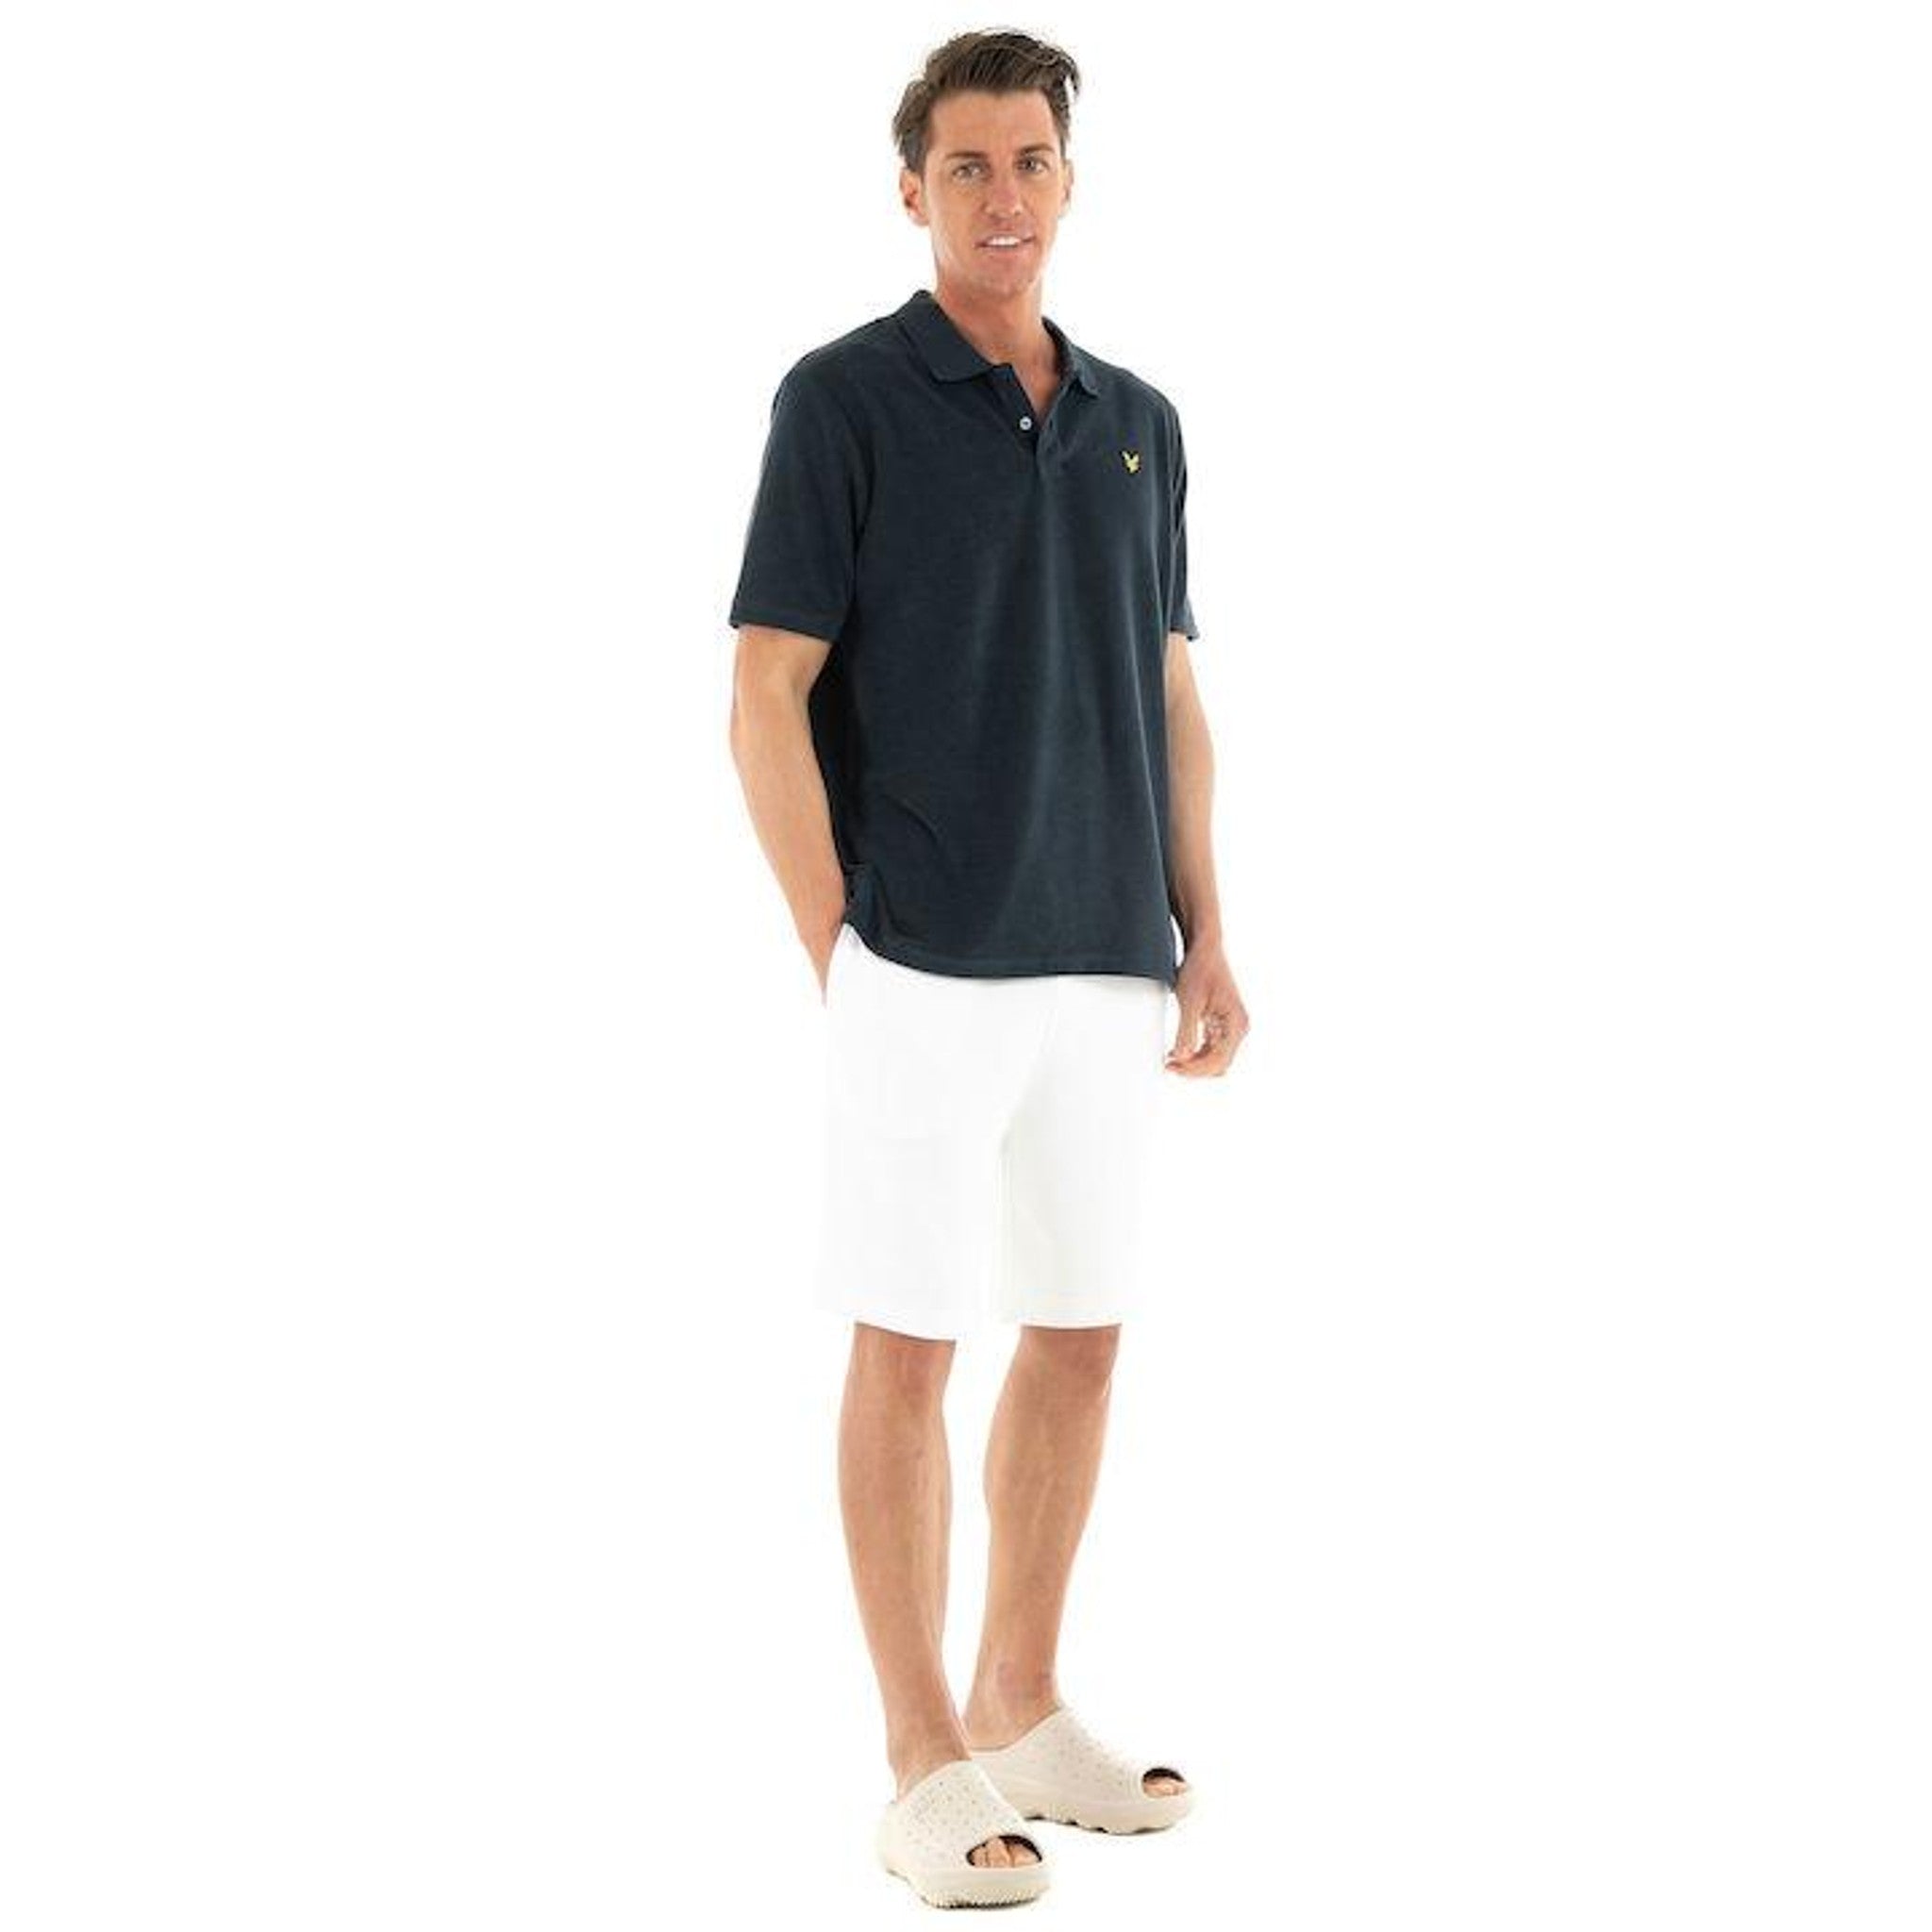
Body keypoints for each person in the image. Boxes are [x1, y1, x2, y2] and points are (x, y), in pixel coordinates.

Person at [726, 29, 1248, 1908]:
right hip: (925, 962)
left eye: (1030, 162)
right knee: (909, 1340)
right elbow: (765, 689)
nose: (1002, 196)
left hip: (1107, 957)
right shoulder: (841, 400)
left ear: (1068, 182)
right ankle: (920, 1756)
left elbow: (1168, 689)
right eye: (967, 166)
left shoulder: (1139, 417)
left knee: (1081, 1334)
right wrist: (837, 940)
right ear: (912, 190)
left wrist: (1205, 927)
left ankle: (1022, 1701)